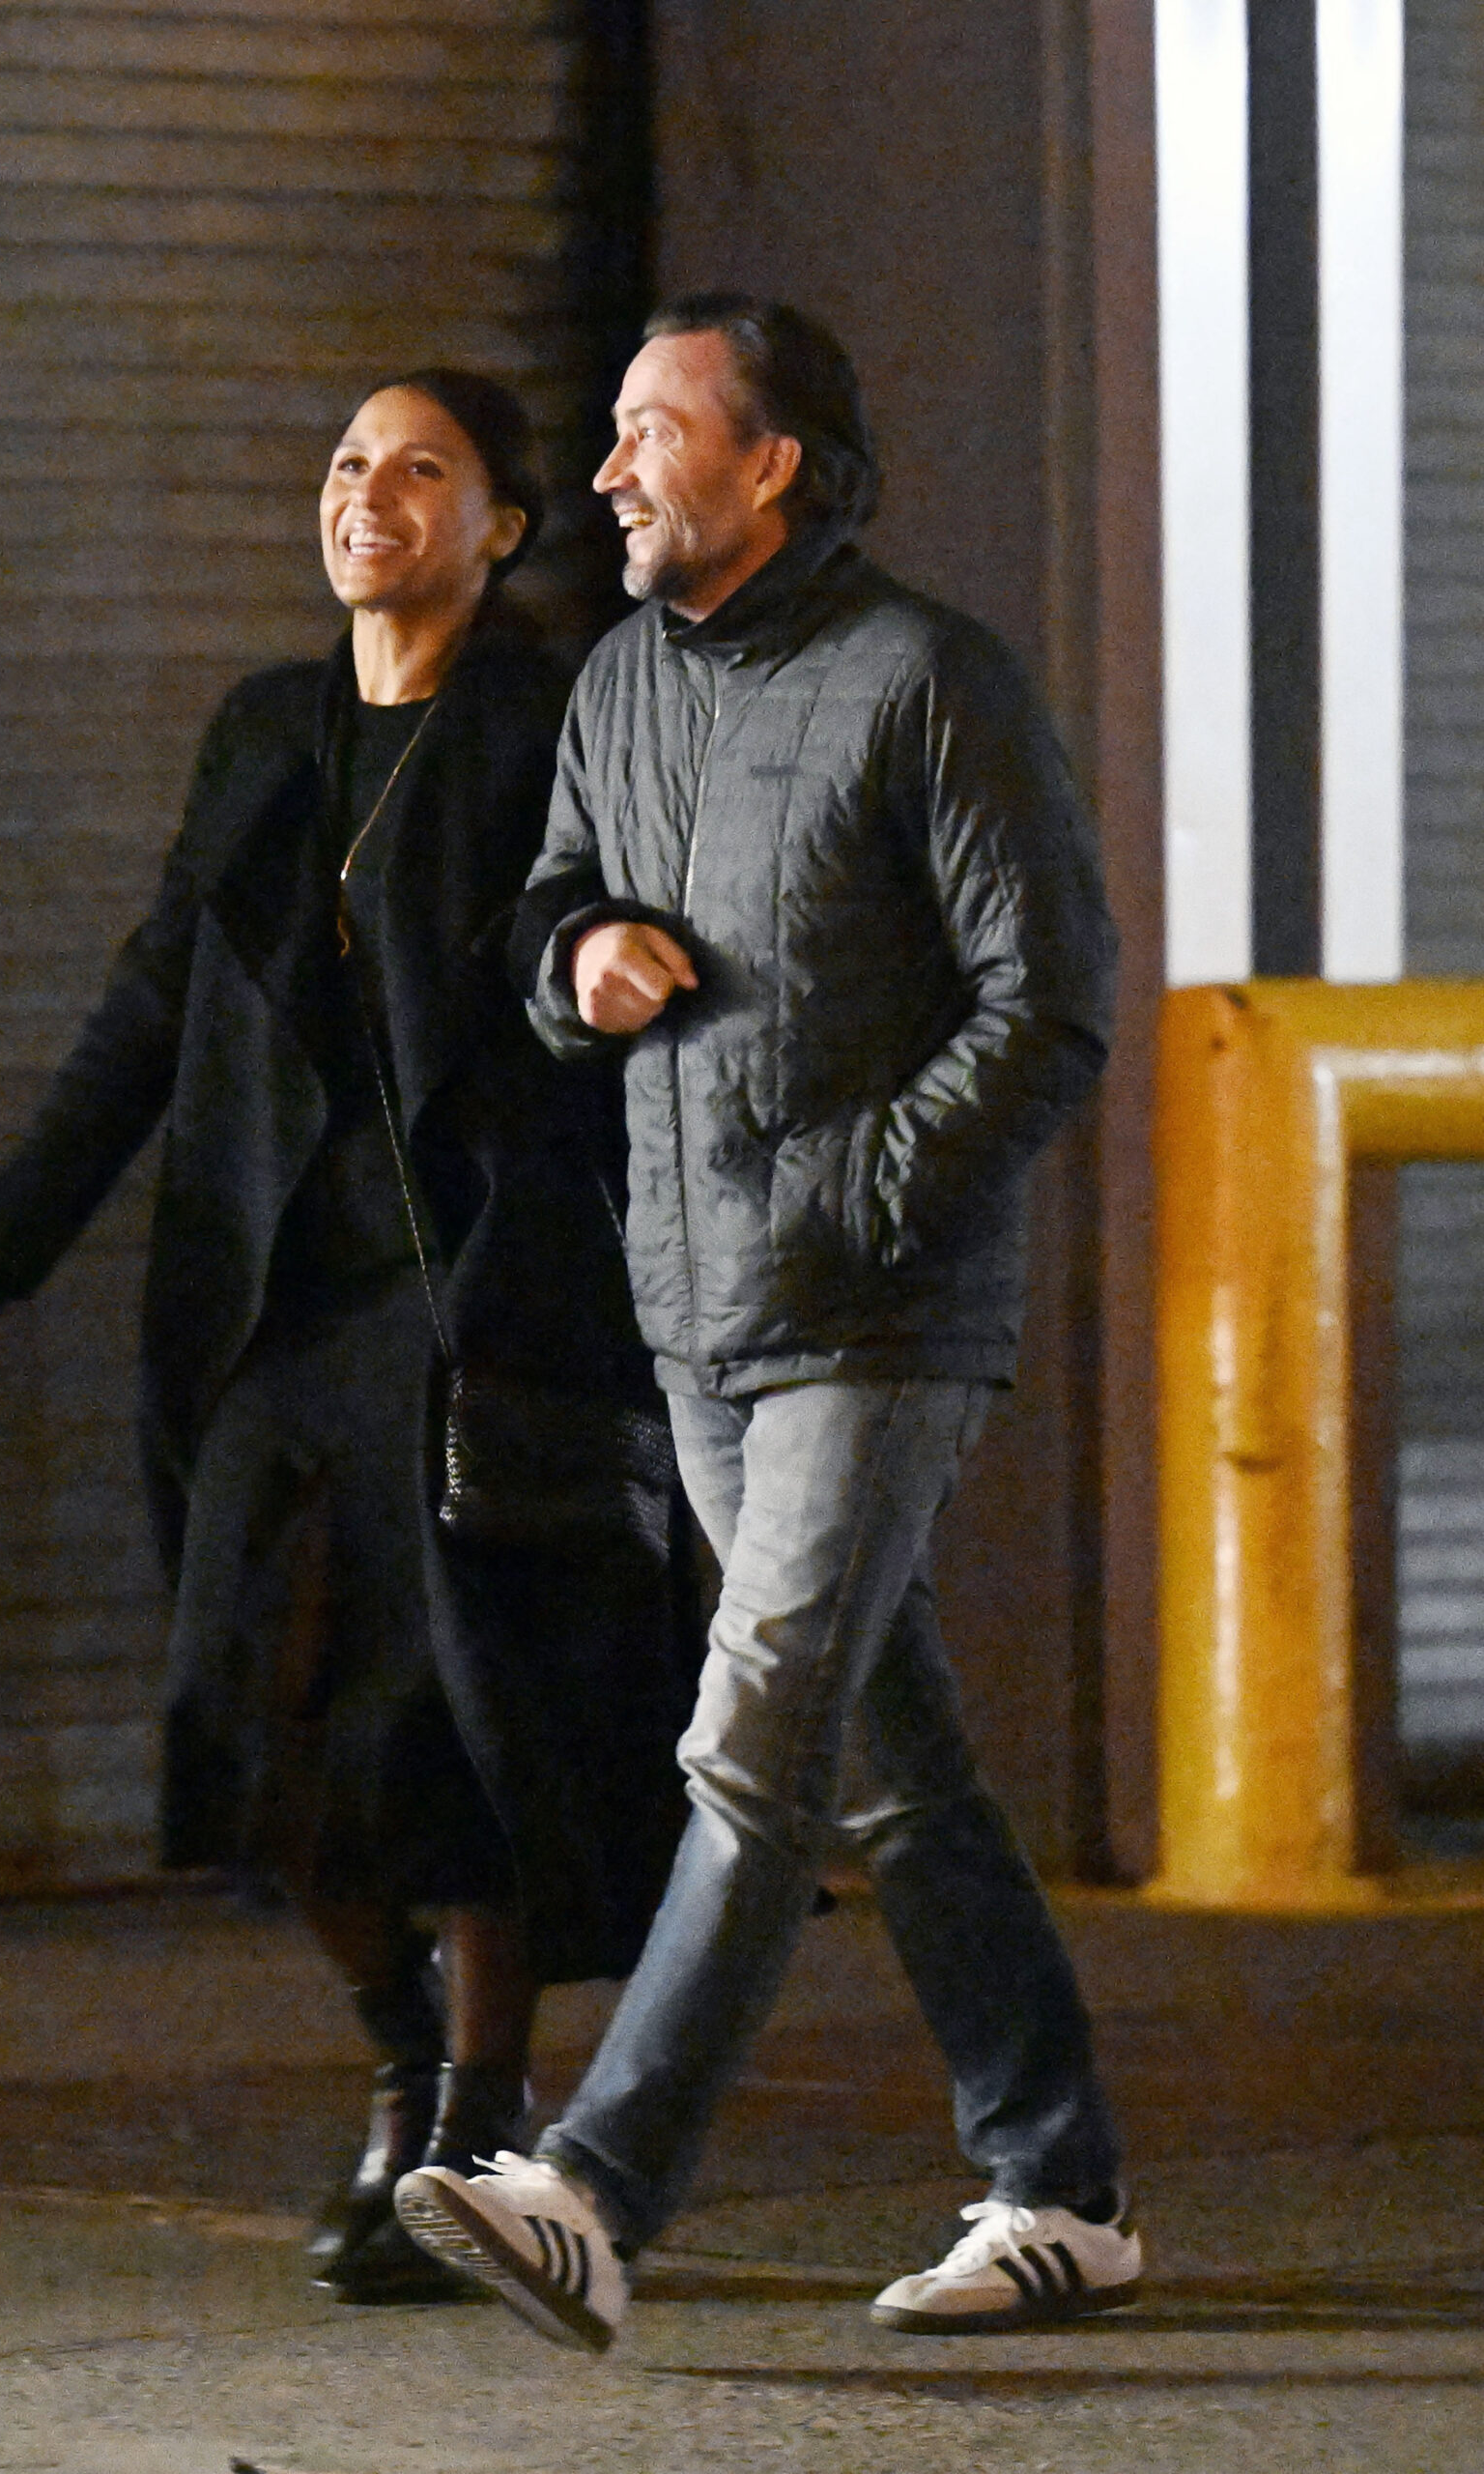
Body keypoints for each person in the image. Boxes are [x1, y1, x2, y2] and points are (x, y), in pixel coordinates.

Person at [395, 297, 1137, 2348]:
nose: (614, 468)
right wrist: (585, 953)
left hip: (879, 1310)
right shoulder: (622, 679)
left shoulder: (928, 676)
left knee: (757, 1719)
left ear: (772, 462)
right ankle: (1058, 2178)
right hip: (694, 1307)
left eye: (652, 430)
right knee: (888, 1764)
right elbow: (547, 911)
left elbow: (1050, 996)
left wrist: (861, 1191)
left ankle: (596, 2184)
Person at [0, 370, 696, 2305]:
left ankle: (474, 2131)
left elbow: (600, 958)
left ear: (503, 524)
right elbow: (146, 1014)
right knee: (249, 1721)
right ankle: (406, 2050)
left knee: (465, 1716)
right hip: (276, 1312)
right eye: (349, 463)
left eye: (421, 467)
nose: (371, 492)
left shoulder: (546, 721)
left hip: (481, 1301)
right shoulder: (267, 732)